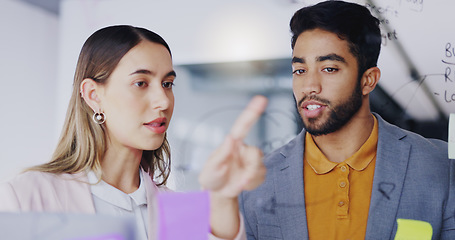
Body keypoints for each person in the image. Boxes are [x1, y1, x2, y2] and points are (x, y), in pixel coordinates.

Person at [0, 25, 268, 240]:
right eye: (141, 83)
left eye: (167, 83)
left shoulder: (182, 214)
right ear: (93, 95)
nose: (163, 101)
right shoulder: (27, 196)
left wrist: (221, 201)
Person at [239, 1, 455, 239]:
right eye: (300, 70)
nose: (309, 86)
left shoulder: (441, 167)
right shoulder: (257, 181)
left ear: (368, 80)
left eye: (329, 68)